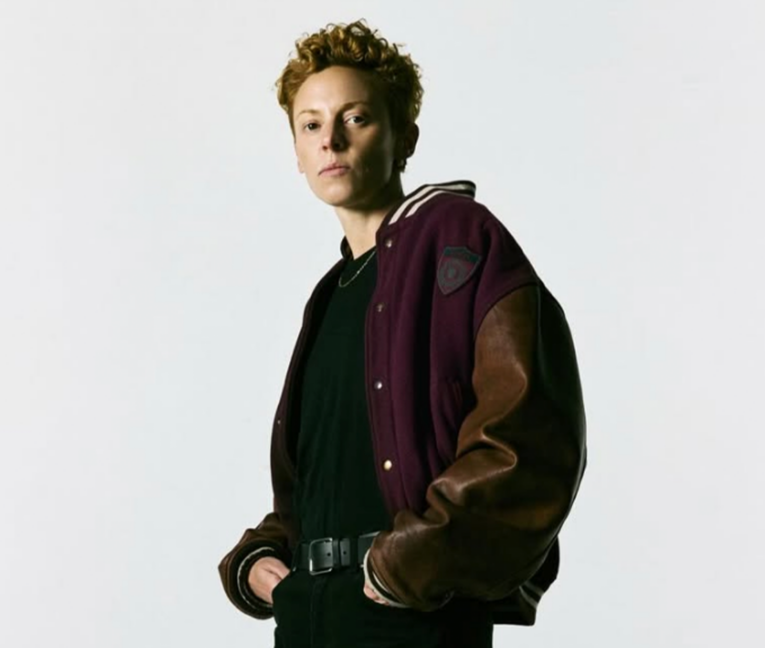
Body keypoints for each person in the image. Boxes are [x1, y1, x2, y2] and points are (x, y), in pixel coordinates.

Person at [218, 19, 587, 648]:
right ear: (297, 153)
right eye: (310, 125)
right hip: (308, 623)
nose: (331, 140)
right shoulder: (329, 296)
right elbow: (322, 479)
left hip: (415, 621)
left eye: (356, 118)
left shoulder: (460, 241)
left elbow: (531, 441)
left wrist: (411, 564)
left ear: (403, 137)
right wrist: (263, 558)